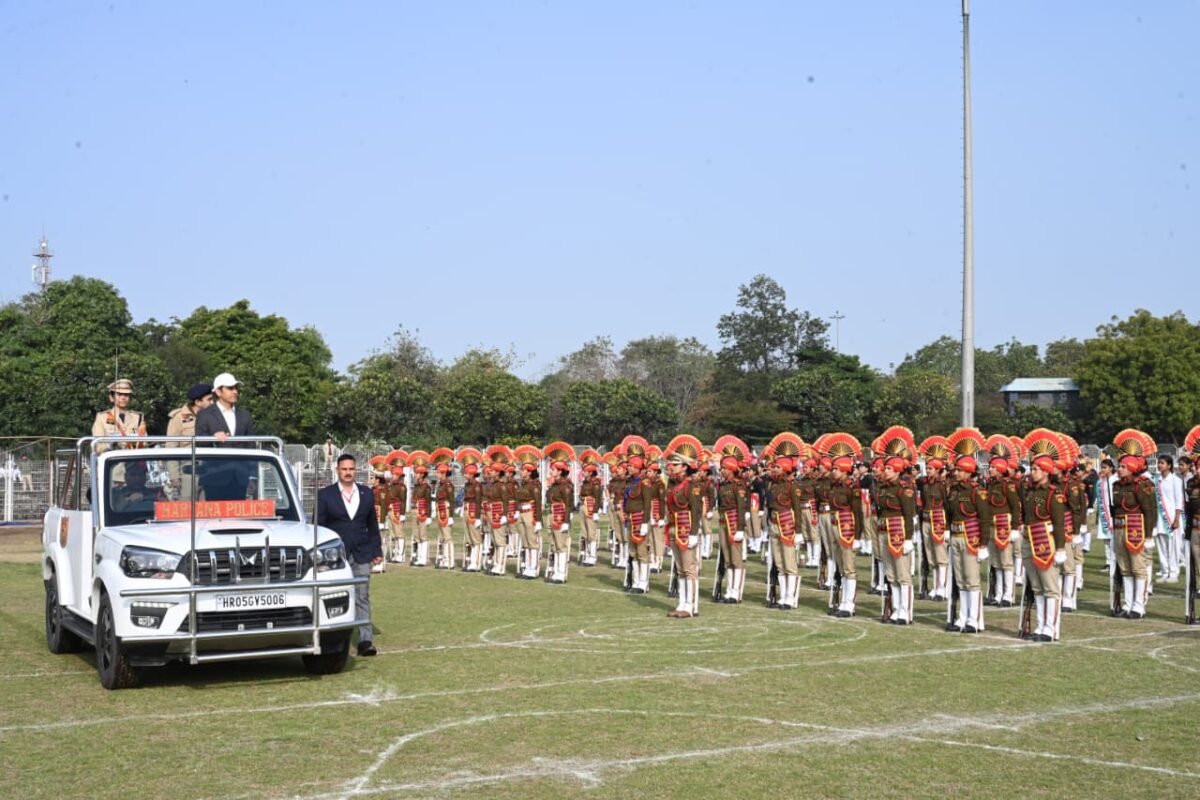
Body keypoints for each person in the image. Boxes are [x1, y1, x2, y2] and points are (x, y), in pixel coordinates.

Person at [316, 454, 382, 657]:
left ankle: (365, 640)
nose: (348, 472)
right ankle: (333, 638)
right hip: (335, 557)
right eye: (344, 469)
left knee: (362, 596)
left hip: (361, 552)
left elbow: (372, 525)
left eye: (351, 469)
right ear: (337, 470)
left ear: (356, 470)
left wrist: (377, 551)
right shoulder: (325, 495)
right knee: (335, 595)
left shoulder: (366, 493)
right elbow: (318, 527)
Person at [194, 373, 257, 499]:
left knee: (238, 511)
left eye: (236, 388)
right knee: (215, 511)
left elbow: (251, 446)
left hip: (240, 477)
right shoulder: (205, 415)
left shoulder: (245, 415)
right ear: (218, 391)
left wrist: (252, 475)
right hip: (215, 476)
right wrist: (212, 437)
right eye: (230, 388)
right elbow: (199, 442)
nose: (235, 391)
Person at [165, 383, 213, 498]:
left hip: (210, 469)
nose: (212, 402)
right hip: (188, 470)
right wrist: (174, 476)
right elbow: (171, 447)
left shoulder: (214, 416)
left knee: (208, 506)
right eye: (209, 399)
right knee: (187, 506)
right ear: (198, 402)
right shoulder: (179, 417)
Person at [92, 378, 147, 453]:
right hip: (112, 458)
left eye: (126, 395)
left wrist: (135, 443)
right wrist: (110, 446)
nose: (123, 398)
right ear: (111, 397)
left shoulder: (138, 417)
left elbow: (145, 443)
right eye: (119, 394)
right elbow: (98, 445)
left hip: (133, 458)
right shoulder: (102, 417)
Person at [1154, 455, 1185, 583]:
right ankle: (1165, 571)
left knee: (1173, 547)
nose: (1159, 465)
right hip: (1159, 519)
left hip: (1172, 518)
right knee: (1161, 547)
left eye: (1162, 463)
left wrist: (1177, 519)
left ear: (1169, 465)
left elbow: (1179, 501)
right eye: (1158, 463)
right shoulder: (1157, 480)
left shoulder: (1175, 480)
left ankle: (1173, 573)